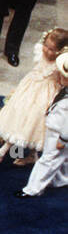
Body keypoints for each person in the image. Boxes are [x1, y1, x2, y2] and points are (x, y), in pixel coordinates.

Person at [0, 29, 68, 165]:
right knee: (20, 118)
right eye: (46, 46)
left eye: (52, 49)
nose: (46, 51)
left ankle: (25, 155)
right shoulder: (39, 52)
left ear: (60, 51)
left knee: (34, 124)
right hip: (29, 89)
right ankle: (8, 152)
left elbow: (62, 81)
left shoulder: (60, 64)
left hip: (45, 96)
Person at [18, 53, 68, 197]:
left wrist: (63, 140)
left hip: (60, 134)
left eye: (64, 77)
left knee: (47, 159)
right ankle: (61, 180)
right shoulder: (65, 91)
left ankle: (33, 189)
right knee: (62, 158)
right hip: (56, 130)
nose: (60, 77)